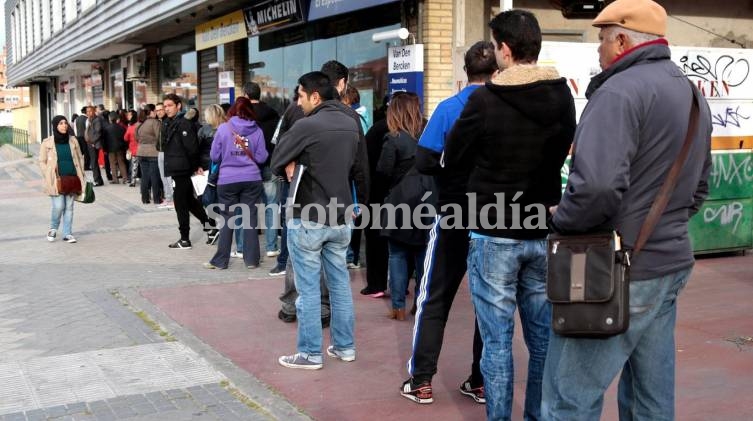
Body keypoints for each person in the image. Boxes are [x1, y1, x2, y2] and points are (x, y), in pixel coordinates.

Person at [542, 1, 712, 419]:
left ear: (622, 40)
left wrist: (561, 220)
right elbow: (701, 187)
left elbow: (596, 188)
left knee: (568, 399)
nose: (597, 48)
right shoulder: (691, 94)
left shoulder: (618, 91)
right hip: (669, 262)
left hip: (616, 271)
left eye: (601, 38)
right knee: (649, 402)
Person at [443, 10, 576, 419]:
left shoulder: (484, 99)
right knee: (542, 340)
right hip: (540, 230)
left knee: (497, 343)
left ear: (504, 49)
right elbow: (563, 149)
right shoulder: (561, 95)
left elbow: (454, 160)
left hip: (492, 233)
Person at [400, 41, 497, 405]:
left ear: (465, 73)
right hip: (498, 218)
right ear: (498, 70)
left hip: (454, 215)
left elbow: (424, 160)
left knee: (434, 299)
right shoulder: (507, 109)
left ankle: (422, 380)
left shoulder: (450, 107)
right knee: (489, 304)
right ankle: (482, 380)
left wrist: (451, 169)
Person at [272, 71, 365, 370]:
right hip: (341, 217)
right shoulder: (352, 123)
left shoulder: (307, 125)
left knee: (309, 289)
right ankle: (345, 346)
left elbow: (275, 160)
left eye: (300, 96)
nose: (298, 103)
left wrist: (292, 163)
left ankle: (311, 353)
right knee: (339, 285)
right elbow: (361, 170)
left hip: (309, 216)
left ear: (315, 96)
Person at [375, 92, 432, 321]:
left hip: (398, 202)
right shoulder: (428, 133)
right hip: (427, 200)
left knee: (397, 255)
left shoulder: (393, 138)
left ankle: (398, 307)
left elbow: (383, 172)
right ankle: (420, 304)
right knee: (422, 256)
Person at [204, 97, 268, 270]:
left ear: (232, 111)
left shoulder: (224, 129)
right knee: (250, 218)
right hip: (251, 178)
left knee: (227, 220)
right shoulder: (257, 130)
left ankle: (220, 261)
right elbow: (262, 157)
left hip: (227, 180)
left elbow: (214, 157)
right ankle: (252, 260)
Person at [162, 93, 217, 249]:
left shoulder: (184, 123)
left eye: (170, 105)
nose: (167, 109)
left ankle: (184, 238)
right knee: (190, 202)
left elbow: (192, 148)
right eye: (165, 106)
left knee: (180, 204)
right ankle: (210, 228)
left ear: (178, 105)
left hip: (183, 169)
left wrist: (195, 166)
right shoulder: (169, 122)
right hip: (175, 167)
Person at [243, 81, 283, 257]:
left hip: (248, 166)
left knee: (247, 206)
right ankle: (272, 246)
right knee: (271, 206)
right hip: (270, 163)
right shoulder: (273, 114)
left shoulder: (243, 115)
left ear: (245, 95)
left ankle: (244, 247)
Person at [39, 116, 87, 243]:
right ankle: (53, 228)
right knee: (59, 206)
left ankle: (67, 233)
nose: (64, 125)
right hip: (56, 180)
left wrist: (81, 173)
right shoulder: (47, 142)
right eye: (61, 123)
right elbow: (41, 161)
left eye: (65, 123)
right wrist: (48, 174)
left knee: (69, 207)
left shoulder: (73, 141)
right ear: (55, 126)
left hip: (72, 178)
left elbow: (79, 158)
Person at [135, 105, 162, 205]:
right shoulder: (155, 122)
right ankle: (157, 199)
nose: (156, 113)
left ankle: (145, 198)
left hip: (141, 152)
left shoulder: (140, 124)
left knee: (145, 176)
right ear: (151, 112)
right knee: (155, 176)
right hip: (153, 152)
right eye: (155, 111)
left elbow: (136, 138)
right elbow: (159, 136)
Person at [155, 102, 173, 208]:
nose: (159, 112)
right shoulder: (161, 122)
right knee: (163, 177)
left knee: (168, 177)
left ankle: (172, 199)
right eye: (157, 110)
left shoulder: (168, 122)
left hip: (168, 153)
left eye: (160, 109)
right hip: (160, 152)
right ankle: (168, 198)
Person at [103, 112, 129, 184]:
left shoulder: (107, 128)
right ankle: (125, 178)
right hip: (120, 148)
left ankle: (115, 179)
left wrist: (105, 149)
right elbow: (125, 138)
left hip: (110, 149)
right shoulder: (122, 128)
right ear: (117, 119)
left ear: (110, 119)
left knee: (112, 164)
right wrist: (125, 147)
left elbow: (104, 140)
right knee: (121, 163)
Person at [84, 105, 105, 186]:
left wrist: (92, 142)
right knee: (93, 162)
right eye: (87, 111)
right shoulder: (89, 119)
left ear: (93, 111)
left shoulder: (96, 120)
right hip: (89, 143)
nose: (88, 113)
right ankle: (99, 180)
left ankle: (97, 180)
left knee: (94, 162)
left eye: (90, 111)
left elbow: (98, 132)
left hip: (93, 144)